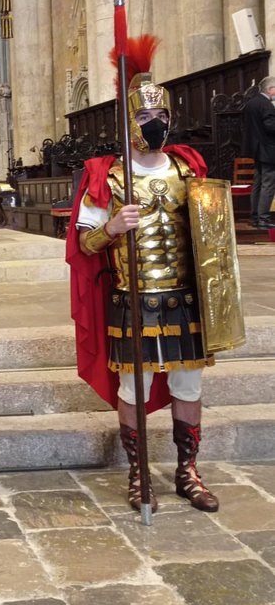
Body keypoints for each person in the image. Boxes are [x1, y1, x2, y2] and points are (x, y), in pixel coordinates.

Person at [66, 39, 228, 514]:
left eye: (160, 116)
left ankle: (187, 472)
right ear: (128, 121)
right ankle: (139, 475)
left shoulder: (187, 169)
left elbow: (212, 236)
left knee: (188, 388)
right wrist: (113, 228)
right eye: (143, 116)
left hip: (184, 296)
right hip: (134, 298)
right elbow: (84, 244)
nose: (153, 123)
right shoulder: (109, 177)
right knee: (133, 389)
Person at [241, 75, 275, 229]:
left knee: (258, 183)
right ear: (270, 89)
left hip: (255, 149)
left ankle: (255, 216)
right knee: (268, 184)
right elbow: (270, 126)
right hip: (268, 150)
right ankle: (264, 218)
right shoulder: (266, 105)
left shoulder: (251, 103)